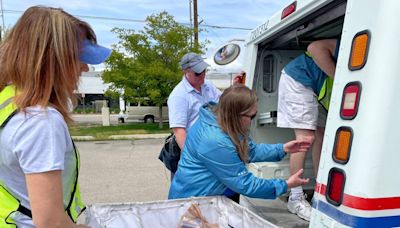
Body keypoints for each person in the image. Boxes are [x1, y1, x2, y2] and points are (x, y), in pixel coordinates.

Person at [0, 6, 111, 228]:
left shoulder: (8, 100)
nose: (85, 67)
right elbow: (51, 223)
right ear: (54, 61)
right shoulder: (40, 120)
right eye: (79, 58)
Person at [168, 85, 311, 200]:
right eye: (252, 116)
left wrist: (283, 148)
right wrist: (285, 185)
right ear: (235, 114)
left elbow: (250, 151)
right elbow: (245, 184)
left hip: (207, 198)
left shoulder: (223, 121)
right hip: (192, 203)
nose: (252, 120)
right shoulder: (214, 141)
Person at [277, 38, 340, 221]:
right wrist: (339, 78)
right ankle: (295, 198)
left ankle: (320, 192)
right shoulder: (347, 42)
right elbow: (314, 47)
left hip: (312, 88)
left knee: (321, 135)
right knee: (305, 139)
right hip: (299, 81)